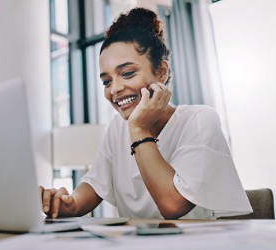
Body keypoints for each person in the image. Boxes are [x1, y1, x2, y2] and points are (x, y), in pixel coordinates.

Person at [39, 7, 252, 219]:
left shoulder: (199, 120)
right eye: (106, 81)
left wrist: (139, 129)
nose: (114, 89)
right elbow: (93, 185)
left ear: (161, 72)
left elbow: (173, 205)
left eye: (128, 73)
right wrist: (66, 204)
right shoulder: (117, 128)